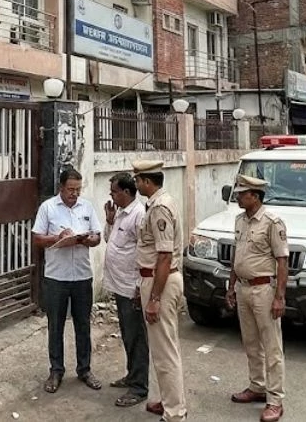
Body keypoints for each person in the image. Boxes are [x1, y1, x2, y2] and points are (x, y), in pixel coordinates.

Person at [32, 168, 103, 393]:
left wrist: (89, 239)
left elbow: (98, 236)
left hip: (82, 276)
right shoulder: (48, 208)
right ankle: (56, 370)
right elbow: (37, 238)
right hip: (56, 277)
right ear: (61, 187)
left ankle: (85, 369)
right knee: (56, 325)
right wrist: (58, 237)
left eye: (78, 190)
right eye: (71, 189)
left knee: (83, 324)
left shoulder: (87, 207)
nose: (74, 194)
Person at [226, 174, 288, 422]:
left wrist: (279, 297)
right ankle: (257, 386)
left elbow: (282, 261)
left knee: (272, 347)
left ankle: (275, 400)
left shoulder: (272, 222)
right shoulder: (239, 220)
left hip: (264, 290)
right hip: (243, 288)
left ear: (255, 196)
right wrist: (231, 286)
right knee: (251, 343)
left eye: (242, 194)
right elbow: (236, 256)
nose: (238, 198)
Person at [132, 160, 186, 422]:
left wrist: (154, 298)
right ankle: (168, 401)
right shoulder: (157, 204)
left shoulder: (160, 208)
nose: (136, 184)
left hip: (160, 282)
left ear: (146, 181)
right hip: (155, 280)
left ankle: (175, 412)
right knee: (163, 348)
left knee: (165, 351)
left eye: (137, 180)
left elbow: (164, 256)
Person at [101, 172, 148, 408]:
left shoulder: (139, 215)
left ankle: (139, 386)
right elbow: (109, 240)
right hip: (119, 285)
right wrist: (110, 221)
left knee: (136, 336)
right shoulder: (120, 212)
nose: (112, 196)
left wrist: (140, 286)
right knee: (128, 334)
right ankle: (132, 375)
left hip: (131, 287)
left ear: (127, 192)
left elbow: (145, 252)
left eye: (114, 192)